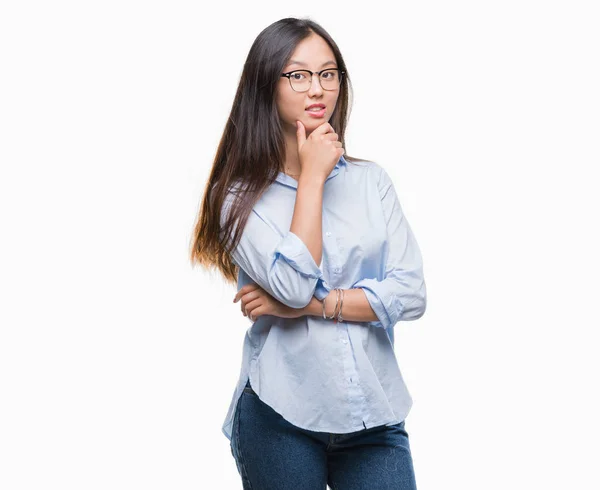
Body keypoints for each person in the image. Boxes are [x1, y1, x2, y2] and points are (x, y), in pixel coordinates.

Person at [190, 17, 427, 490]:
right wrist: (313, 177)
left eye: (329, 73)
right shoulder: (236, 197)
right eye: (297, 75)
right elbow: (294, 285)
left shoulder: (371, 182)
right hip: (281, 417)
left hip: (372, 418)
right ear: (266, 84)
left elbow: (411, 294)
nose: (317, 88)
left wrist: (309, 307)